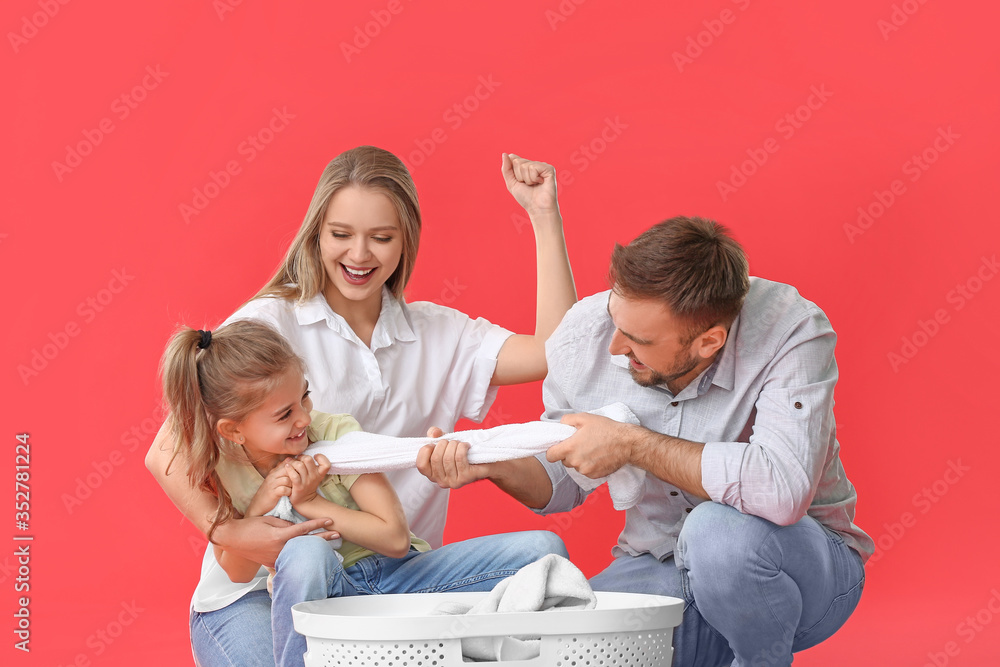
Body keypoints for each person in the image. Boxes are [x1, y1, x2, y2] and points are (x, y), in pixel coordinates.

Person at [145, 146, 577, 666]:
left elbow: (556, 351)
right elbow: (165, 450)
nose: (359, 255)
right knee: (298, 580)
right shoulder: (270, 324)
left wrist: (543, 214)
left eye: (381, 237)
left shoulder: (437, 334)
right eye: (341, 234)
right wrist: (234, 532)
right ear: (316, 234)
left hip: (391, 577)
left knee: (541, 558)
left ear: (405, 241)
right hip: (262, 588)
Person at [418, 216, 874, 667]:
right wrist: (492, 463)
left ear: (708, 342)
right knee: (560, 648)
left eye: (638, 339)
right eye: (615, 320)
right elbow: (560, 482)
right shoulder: (585, 334)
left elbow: (781, 490)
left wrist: (633, 444)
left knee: (717, 533)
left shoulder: (789, 330)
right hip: (660, 565)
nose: (615, 346)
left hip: (800, 570)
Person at [160, 320, 566, 667]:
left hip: (393, 578)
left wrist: (309, 502)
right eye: (284, 415)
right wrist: (265, 500)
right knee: (306, 552)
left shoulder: (335, 434)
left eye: (304, 395)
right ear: (234, 430)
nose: (303, 417)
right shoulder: (220, 465)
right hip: (324, 589)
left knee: (543, 549)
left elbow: (393, 538)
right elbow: (236, 572)